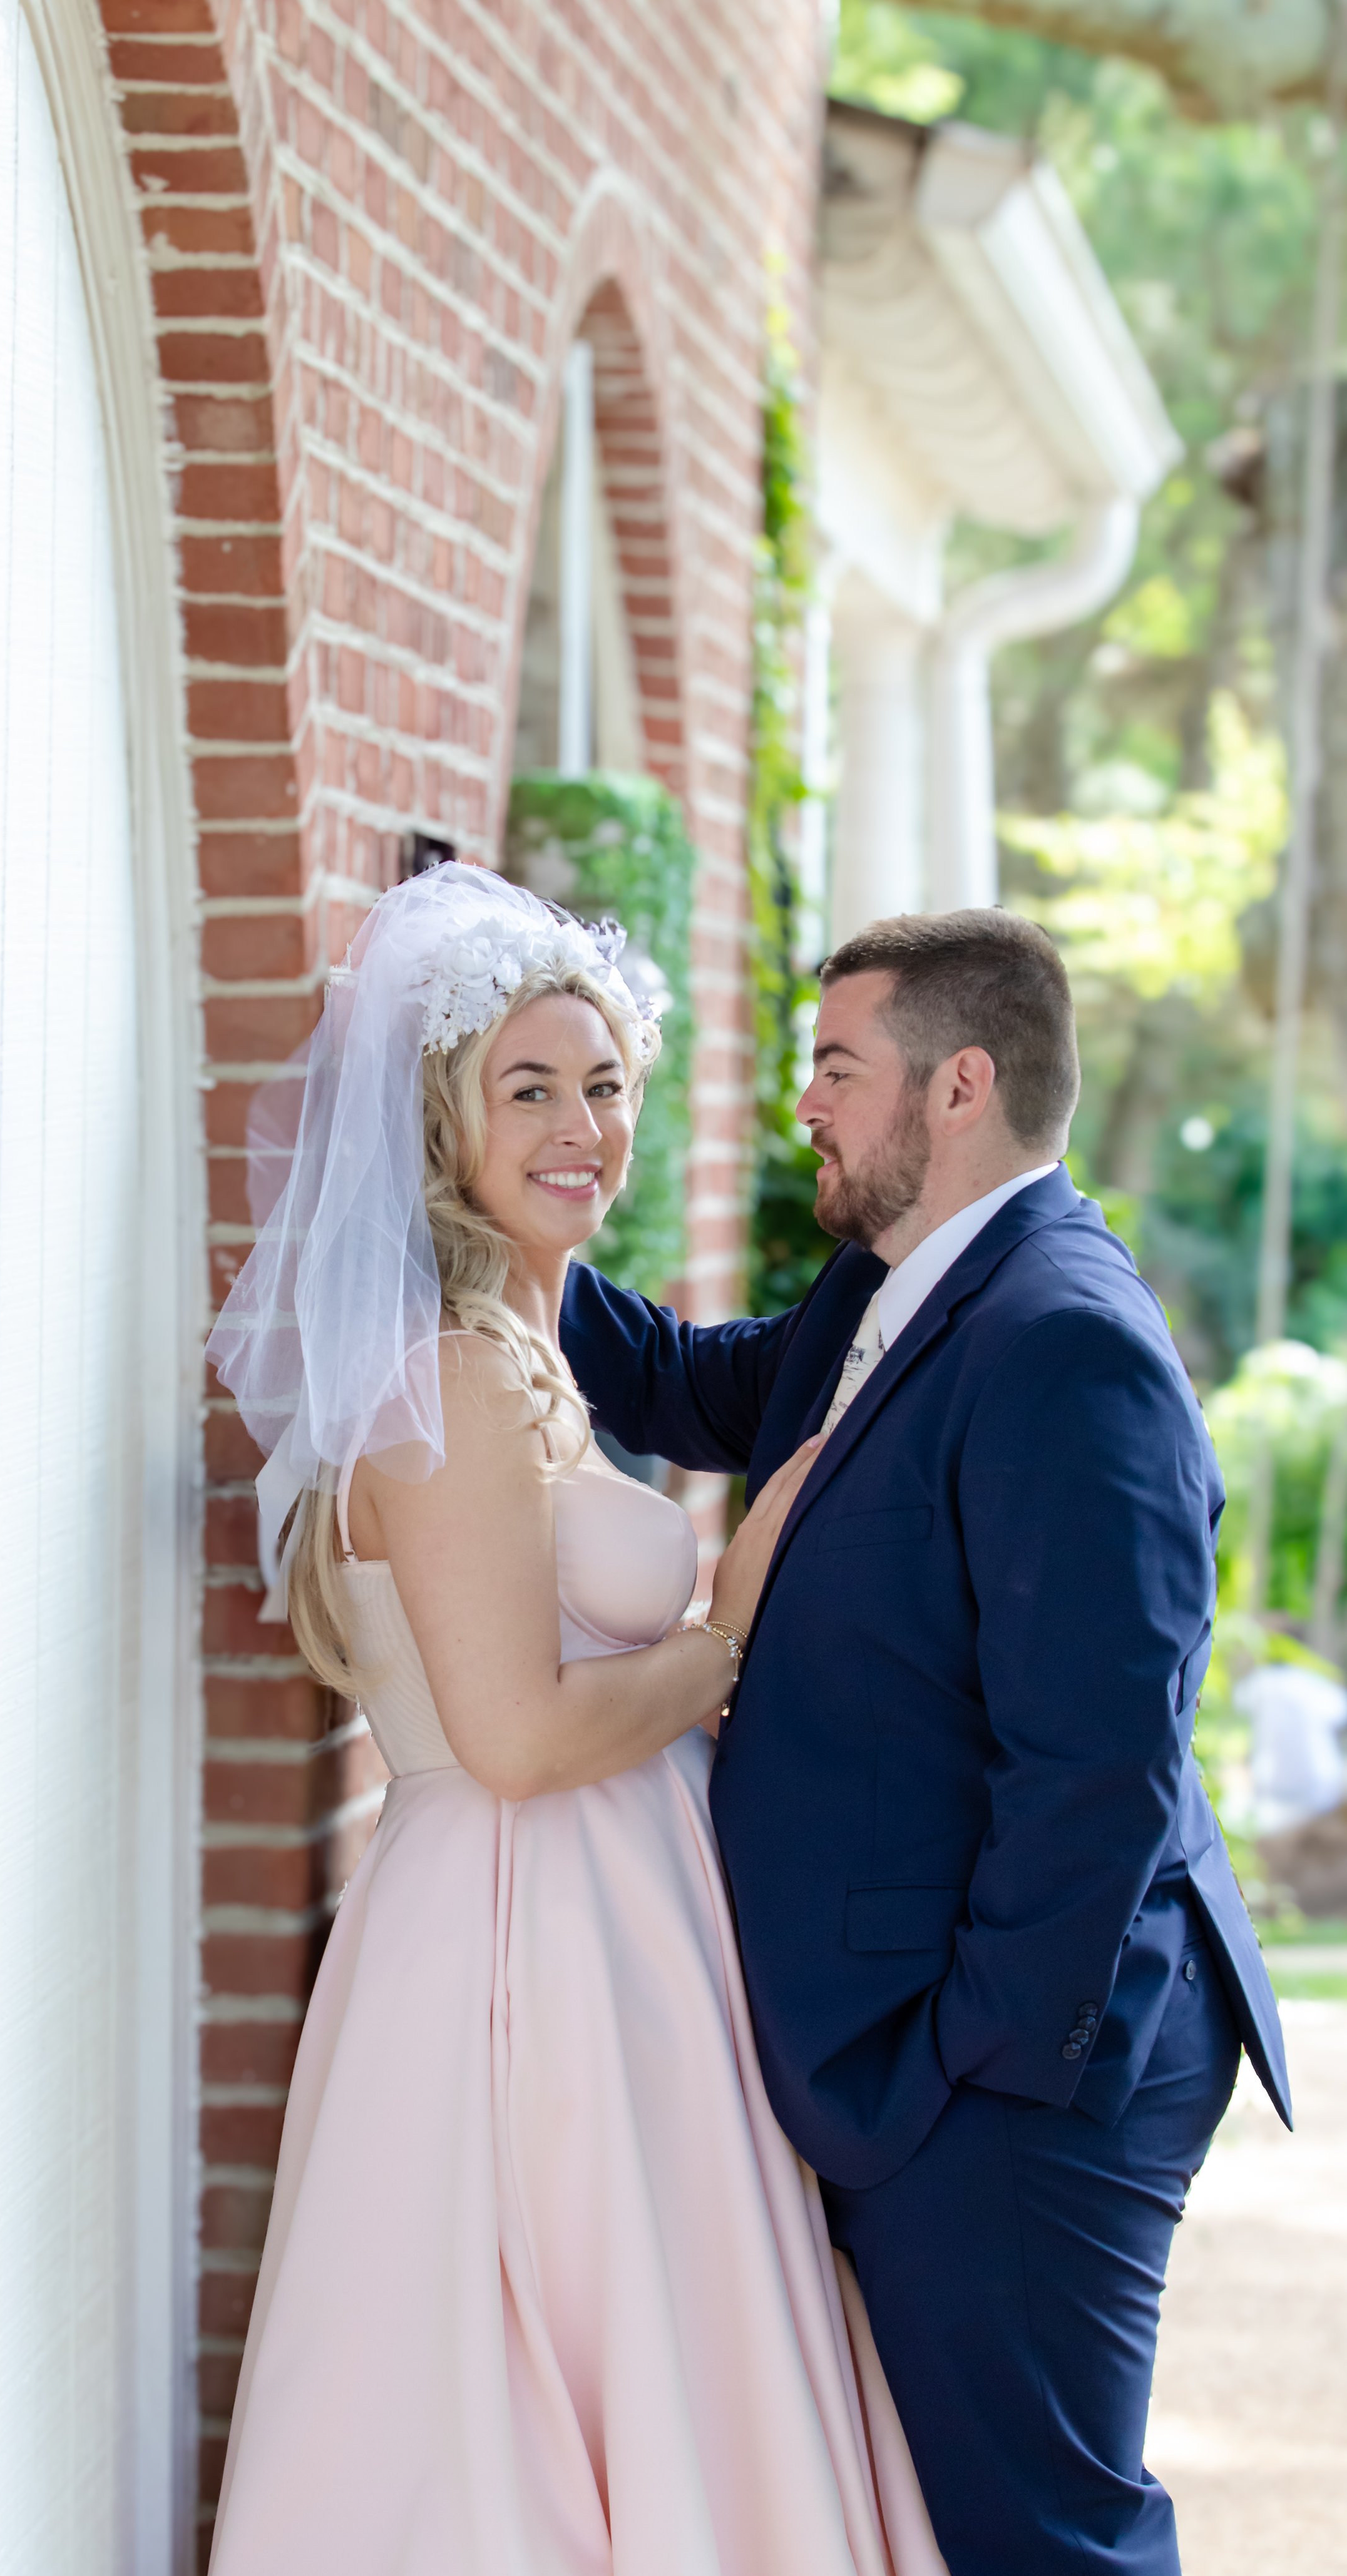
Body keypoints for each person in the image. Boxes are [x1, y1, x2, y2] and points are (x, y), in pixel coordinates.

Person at [205, 863, 945, 2575]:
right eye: (525, 1088)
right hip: (520, 1946)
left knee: (654, 2366)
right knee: (510, 2407)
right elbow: (520, 1743)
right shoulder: (450, 1378)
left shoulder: (529, 1349)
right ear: (440, 1126)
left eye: (603, 1085)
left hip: (621, 1928)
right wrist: (729, 1624)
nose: (579, 1125)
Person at [560, 907, 1293, 2576]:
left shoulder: (1064, 1346)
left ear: (956, 1085)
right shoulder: (891, 1289)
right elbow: (681, 1385)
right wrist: (486, 1225)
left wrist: (956, 2072)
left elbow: (1094, 1773)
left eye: (835, 1064)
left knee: (1037, 2541)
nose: (804, 1103)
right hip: (935, 2061)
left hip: (1019, 2083)